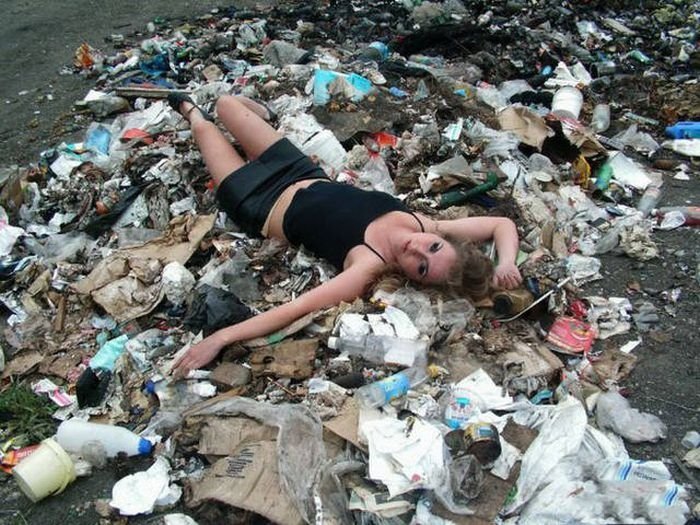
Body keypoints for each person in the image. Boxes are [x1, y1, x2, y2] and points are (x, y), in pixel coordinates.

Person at [169, 94, 522, 376]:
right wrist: (506, 262)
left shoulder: (367, 266)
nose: (416, 249)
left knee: (201, 123)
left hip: (257, 201)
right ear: (441, 239)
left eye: (422, 267)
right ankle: (264, 112)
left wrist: (221, 337)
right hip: (298, 169)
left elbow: (295, 308)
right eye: (432, 247)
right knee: (226, 104)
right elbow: (500, 224)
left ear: (414, 279)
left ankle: (191, 112)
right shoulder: (424, 225)